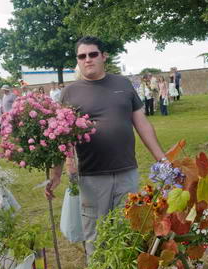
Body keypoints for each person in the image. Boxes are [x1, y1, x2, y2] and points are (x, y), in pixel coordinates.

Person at [45, 36, 166, 255]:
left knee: (128, 232)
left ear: (103, 56)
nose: (87, 60)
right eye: (82, 56)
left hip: (127, 172)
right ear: (78, 60)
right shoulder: (69, 93)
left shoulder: (123, 84)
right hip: (92, 176)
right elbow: (61, 139)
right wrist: (56, 175)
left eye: (92, 54)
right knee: (96, 237)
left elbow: (143, 125)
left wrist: (163, 161)